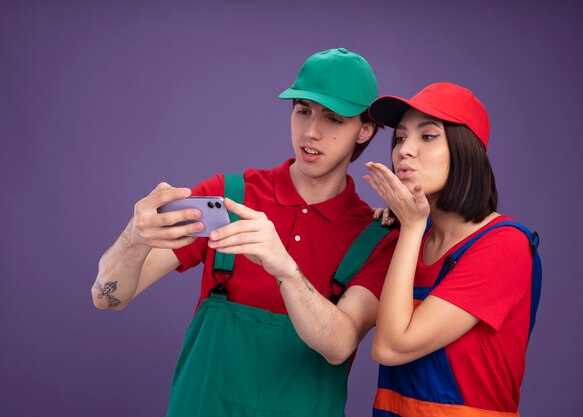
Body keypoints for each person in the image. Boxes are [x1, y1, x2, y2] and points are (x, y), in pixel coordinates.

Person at [92, 48, 398, 417]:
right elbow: (108, 298)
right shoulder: (229, 198)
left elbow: (339, 345)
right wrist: (134, 237)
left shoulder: (374, 237)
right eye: (302, 111)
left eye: (333, 119)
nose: (311, 132)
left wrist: (284, 267)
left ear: (364, 130)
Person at [364, 82, 539, 416]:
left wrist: (412, 228)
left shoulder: (503, 245)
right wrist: (407, 228)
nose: (404, 150)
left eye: (427, 136)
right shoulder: (404, 236)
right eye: (400, 138)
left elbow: (391, 346)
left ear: (465, 150)